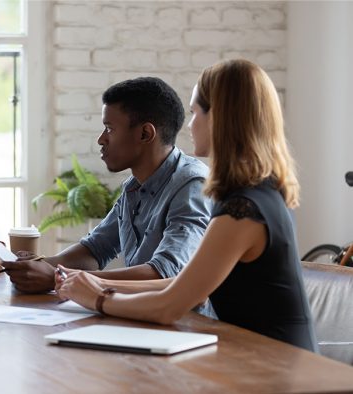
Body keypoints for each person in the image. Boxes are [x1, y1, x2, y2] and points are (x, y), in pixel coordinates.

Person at [56, 59, 318, 352]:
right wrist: (91, 285)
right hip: (252, 357)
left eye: (195, 112)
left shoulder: (243, 210)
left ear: (221, 118)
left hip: (277, 367)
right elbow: (181, 285)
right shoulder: (253, 193)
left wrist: (99, 297)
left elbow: (170, 305)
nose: (189, 124)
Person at [2, 77, 213, 304]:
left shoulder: (192, 185)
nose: (101, 139)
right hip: (136, 318)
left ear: (145, 134)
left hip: (185, 326)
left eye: (109, 129)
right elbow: (94, 250)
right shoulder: (133, 188)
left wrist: (60, 278)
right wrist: (42, 265)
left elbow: (166, 273)